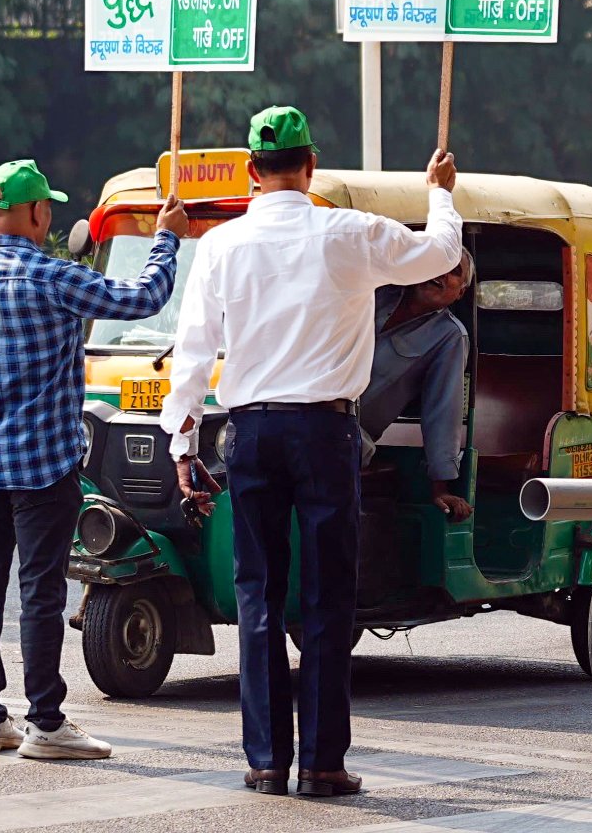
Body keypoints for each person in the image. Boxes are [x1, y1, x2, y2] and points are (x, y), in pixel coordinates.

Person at [161, 107, 461, 798]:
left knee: (258, 594)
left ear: (250, 172)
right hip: (327, 433)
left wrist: (182, 441)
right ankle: (324, 765)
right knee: (328, 598)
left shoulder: (222, 245)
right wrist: (440, 190)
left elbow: (194, 352)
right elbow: (442, 255)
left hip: (253, 434)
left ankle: (266, 761)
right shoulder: (350, 233)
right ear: (313, 164)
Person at [0, 159, 185, 761]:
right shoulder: (53, 278)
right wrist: (166, 238)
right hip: (45, 468)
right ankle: (45, 722)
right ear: (40, 214)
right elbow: (145, 297)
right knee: (41, 592)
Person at [358, 253, 476, 523]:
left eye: (453, 271)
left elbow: (443, 411)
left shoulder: (449, 336)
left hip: (349, 434)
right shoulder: (372, 293)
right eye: (436, 263)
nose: (441, 274)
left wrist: (440, 486)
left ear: (461, 292)